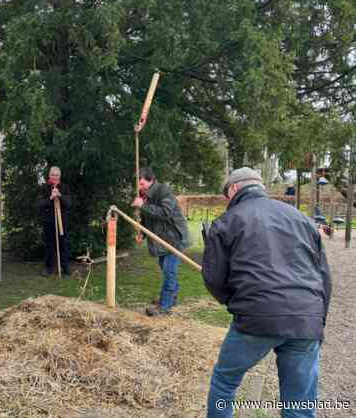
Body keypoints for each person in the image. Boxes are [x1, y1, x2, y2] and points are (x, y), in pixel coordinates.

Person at [202, 167, 332, 418]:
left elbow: (214, 278)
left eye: (226, 195)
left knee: (225, 381)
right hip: (306, 319)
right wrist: (318, 320)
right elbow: (324, 276)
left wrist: (239, 303)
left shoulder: (227, 222)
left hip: (256, 317)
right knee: (299, 404)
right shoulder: (302, 219)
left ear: (234, 189)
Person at [131, 167, 190, 316]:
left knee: (169, 271)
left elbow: (165, 213)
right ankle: (172, 298)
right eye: (138, 184)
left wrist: (143, 205)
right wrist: (142, 234)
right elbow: (147, 218)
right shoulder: (144, 195)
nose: (140, 187)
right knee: (165, 268)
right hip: (162, 240)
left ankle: (164, 307)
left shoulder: (163, 191)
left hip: (174, 238)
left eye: (142, 184)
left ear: (151, 180)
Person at [37, 166, 72, 276]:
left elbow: (68, 203)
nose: (54, 177)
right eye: (52, 175)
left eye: (56, 175)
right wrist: (51, 198)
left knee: (64, 244)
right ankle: (49, 268)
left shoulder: (64, 187)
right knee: (49, 244)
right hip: (49, 220)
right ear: (49, 175)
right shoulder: (44, 188)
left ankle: (65, 267)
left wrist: (60, 195)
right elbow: (40, 204)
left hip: (62, 220)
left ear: (59, 176)